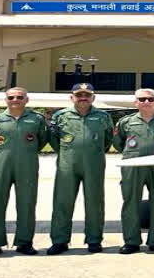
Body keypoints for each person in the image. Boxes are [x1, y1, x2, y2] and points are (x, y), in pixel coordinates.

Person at [0, 87, 50, 258]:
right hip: (0, 164)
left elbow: (42, 140)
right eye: (11, 97)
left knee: (26, 203)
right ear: (6, 100)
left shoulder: (36, 119)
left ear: (27, 100)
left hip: (27, 164)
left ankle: (24, 242)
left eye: (20, 97)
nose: (15, 100)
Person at [48, 83, 113, 255]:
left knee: (95, 203)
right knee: (62, 202)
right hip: (67, 165)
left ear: (93, 97)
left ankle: (94, 240)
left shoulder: (103, 116)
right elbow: (54, 140)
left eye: (87, 95)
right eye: (79, 95)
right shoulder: (61, 116)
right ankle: (60, 241)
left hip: (94, 164)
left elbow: (107, 140)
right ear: (72, 97)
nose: (83, 98)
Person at [113, 88, 154, 254]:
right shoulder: (126, 122)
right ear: (136, 103)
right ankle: (131, 241)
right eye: (142, 99)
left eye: (150, 99)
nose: (146, 102)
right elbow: (118, 142)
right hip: (133, 165)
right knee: (130, 202)